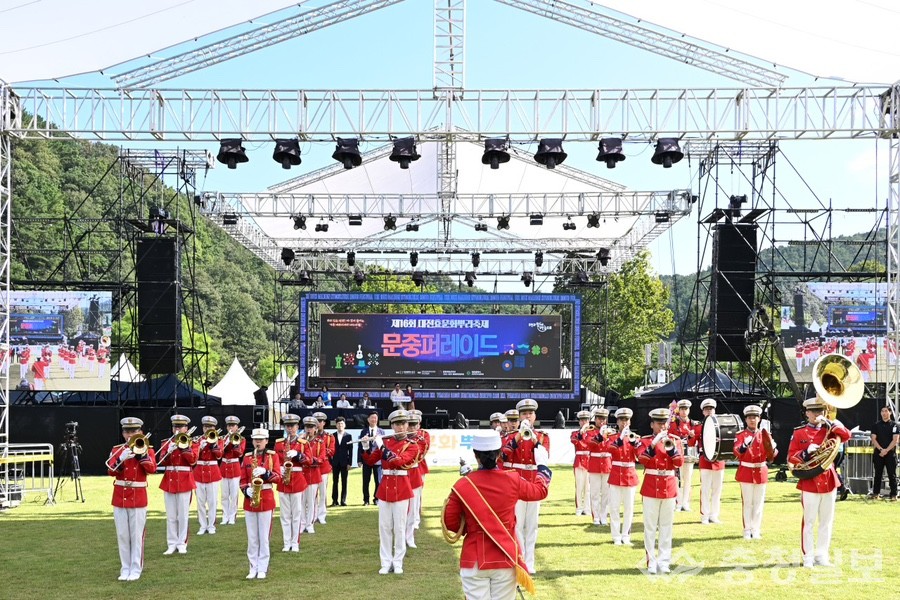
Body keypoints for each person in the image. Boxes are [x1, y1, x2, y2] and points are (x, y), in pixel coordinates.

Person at [442, 430, 552, 600]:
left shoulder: (463, 485)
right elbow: (540, 491)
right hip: (505, 556)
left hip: (474, 558)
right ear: (500, 453)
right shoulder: (512, 479)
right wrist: (543, 467)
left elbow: (451, 523)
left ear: (475, 455)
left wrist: (470, 525)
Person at [788, 397, 851, 568]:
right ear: (807, 413)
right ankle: (808, 556)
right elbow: (791, 457)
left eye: (820, 411)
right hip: (810, 479)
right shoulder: (799, 432)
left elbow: (846, 435)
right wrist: (805, 453)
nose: (817, 414)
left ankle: (821, 555)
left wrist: (832, 422)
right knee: (808, 521)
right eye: (814, 411)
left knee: (826, 520)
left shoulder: (829, 429)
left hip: (828, 478)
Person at [361, 409, 421, 574]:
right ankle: (386, 562)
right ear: (392, 426)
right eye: (396, 424)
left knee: (399, 527)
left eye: (403, 424)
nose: (400, 427)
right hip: (385, 488)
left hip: (401, 487)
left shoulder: (412, 445)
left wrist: (381, 446)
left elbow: (398, 461)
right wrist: (366, 446)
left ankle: (398, 562)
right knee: (385, 527)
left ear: (407, 425)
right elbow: (370, 461)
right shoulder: (386, 441)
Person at [500, 398, 549, 575]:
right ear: (520, 417)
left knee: (533, 524)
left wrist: (535, 440)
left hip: (534, 482)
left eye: (530, 413)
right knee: (518, 524)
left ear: (535, 416)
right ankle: (520, 559)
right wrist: (519, 437)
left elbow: (545, 456)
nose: (527, 416)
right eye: (524, 414)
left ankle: (530, 561)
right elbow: (503, 456)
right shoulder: (510, 437)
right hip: (516, 483)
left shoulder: (543, 436)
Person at [107, 417, 157, 581]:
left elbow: (152, 469)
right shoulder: (117, 449)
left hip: (138, 496)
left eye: (134, 431)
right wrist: (121, 459)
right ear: (123, 433)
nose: (130, 435)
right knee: (122, 534)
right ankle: (125, 568)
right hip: (120, 495)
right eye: (127, 431)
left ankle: (136, 568)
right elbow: (110, 471)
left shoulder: (147, 449)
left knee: (136, 535)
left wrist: (140, 456)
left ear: (140, 432)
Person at [638, 408, 684, 575]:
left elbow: (679, 462)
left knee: (666, 526)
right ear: (652, 425)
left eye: (665, 423)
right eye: (659, 423)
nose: (663, 426)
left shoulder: (675, 440)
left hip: (669, 486)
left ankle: (664, 561)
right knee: (650, 527)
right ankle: (651, 561)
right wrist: (652, 444)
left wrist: (671, 449)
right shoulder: (645, 441)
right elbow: (642, 459)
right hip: (651, 485)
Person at [240, 428, 282, 579]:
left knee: (264, 536)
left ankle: (263, 567)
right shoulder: (247, 458)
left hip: (266, 496)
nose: (258, 442)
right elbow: (242, 480)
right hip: (250, 499)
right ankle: (253, 567)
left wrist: (266, 472)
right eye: (256, 439)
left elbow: (278, 478)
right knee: (252, 537)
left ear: (266, 440)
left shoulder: (273, 456)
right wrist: (246, 491)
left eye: (261, 439)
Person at [734, 404, 776, 539]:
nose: (752, 420)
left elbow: (772, 456)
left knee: (758, 503)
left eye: (755, 417)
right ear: (745, 420)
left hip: (760, 470)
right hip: (746, 470)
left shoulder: (765, 435)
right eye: (750, 418)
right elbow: (737, 452)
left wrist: (773, 448)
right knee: (747, 502)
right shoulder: (741, 435)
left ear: (759, 419)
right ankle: (747, 529)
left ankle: (756, 529)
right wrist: (744, 446)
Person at [157, 414, 197, 555]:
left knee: (183, 515)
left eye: (180, 427)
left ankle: (182, 543)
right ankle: (171, 543)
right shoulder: (166, 442)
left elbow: (192, 461)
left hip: (185, 479)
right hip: (170, 479)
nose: (177, 429)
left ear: (186, 428)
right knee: (171, 515)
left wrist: (183, 448)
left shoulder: (192, 442)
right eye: (175, 426)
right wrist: (168, 452)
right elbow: (161, 462)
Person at [604, 408, 641, 546]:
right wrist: (620, 438)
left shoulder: (635, 438)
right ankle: (616, 536)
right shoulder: (613, 437)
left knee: (629, 507)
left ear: (630, 422)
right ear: (618, 421)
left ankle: (626, 535)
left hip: (630, 474)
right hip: (616, 474)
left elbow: (640, 456)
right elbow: (610, 449)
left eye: (626, 420)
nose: (624, 423)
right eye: (622, 420)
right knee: (614, 507)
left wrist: (635, 443)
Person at [274, 414, 307, 552]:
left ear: (297, 427)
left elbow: (309, 460)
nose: (290, 428)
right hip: (283, 480)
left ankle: (295, 542)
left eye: (293, 426)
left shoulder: (303, 443)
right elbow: (275, 460)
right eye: (288, 426)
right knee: (285, 514)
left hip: (297, 479)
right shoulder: (279, 443)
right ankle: (286, 542)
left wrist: (298, 455)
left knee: (297, 513)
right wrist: (279, 468)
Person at [193, 416, 223, 536]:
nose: (208, 429)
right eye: (206, 427)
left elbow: (219, 455)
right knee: (200, 502)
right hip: (199, 472)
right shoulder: (196, 439)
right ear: (203, 428)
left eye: (210, 427)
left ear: (214, 428)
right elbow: (193, 458)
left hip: (213, 472)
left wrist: (213, 445)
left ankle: (211, 525)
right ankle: (202, 525)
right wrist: (199, 447)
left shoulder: (218, 439)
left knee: (212, 502)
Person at [696, 398, 725, 524]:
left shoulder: (721, 425)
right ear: (703, 412)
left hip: (718, 461)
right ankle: (705, 514)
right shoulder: (699, 427)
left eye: (711, 409)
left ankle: (714, 514)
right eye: (707, 409)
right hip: (705, 460)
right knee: (706, 488)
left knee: (717, 489)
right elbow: (692, 443)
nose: (709, 411)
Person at [668, 399, 697, 511]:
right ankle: (678, 502)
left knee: (688, 479)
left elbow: (694, 441)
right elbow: (671, 436)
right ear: (678, 410)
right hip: (677, 454)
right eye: (682, 409)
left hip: (689, 454)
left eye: (686, 409)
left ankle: (686, 502)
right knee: (677, 479)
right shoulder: (674, 423)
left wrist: (691, 436)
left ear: (689, 410)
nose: (684, 411)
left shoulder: (693, 424)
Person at [584, 408, 611, 525]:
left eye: (604, 419)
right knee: (594, 493)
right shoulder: (590, 432)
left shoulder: (611, 432)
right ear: (595, 419)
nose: (602, 421)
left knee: (606, 494)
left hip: (607, 464)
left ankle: (604, 516)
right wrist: (600, 436)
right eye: (600, 419)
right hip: (595, 464)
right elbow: (589, 444)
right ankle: (595, 517)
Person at [404, 412, 426, 548]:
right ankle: (401, 537)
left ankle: (410, 537)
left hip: (414, 474)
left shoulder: (420, 439)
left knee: (412, 508)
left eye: (414, 425)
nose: (411, 428)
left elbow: (421, 454)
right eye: (409, 425)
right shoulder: (399, 438)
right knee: (401, 510)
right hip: (401, 475)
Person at [219, 416, 246, 526]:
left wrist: (234, 443)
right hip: (224, 467)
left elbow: (240, 453)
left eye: (233, 425)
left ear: (237, 427)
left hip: (234, 467)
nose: (231, 427)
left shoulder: (241, 439)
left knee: (233, 495)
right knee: (224, 495)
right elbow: (220, 453)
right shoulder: (221, 438)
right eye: (229, 425)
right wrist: (226, 441)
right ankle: (225, 516)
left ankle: (232, 517)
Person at [869, 405, 899, 500]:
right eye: (882, 411)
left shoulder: (895, 425)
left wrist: (886, 450)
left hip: (890, 454)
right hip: (878, 453)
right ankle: (876, 493)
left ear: (890, 412)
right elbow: (873, 439)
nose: (884, 413)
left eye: (886, 411)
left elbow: (895, 440)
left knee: (892, 474)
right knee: (878, 474)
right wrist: (881, 450)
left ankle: (893, 494)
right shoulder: (876, 425)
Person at [300, 416, 325, 532]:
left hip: (313, 474)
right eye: (307, 427)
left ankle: (309, 524)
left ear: (315, 428)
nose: (308, 430)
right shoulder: (300, 442)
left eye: (311, 427)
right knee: (301, 502)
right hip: (301, 475)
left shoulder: (320, 443)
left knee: (311, 502)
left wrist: (308, 459)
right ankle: (302, 523)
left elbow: (321, 459)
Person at [360, 411, 384, 505]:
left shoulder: (381, 431)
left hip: (378, 461)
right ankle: (366, 500)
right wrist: (359, 460)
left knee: (378, 480)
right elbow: (360, 446)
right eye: (372, 418)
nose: (374, 420)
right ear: (368, 419)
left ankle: (376, 498)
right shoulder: (363, 431)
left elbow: (382, 447)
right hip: (366, 460)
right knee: (366, 481)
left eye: (375, 418)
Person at [314, 411, 335, 524]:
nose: (318, 424)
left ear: (324, 423)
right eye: (316, 421)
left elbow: (331, 451)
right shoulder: (307, 436)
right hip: (311, 467)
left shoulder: (329, 436)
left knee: (322, 492)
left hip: (323, 467)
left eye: (320, 421)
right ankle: (312, 515)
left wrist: (319, 452)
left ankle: (321, 515)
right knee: (311, 494)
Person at [570, 410, 591, 517]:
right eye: (582, 420)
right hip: (579, 460)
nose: (584, 422)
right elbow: (574, 441)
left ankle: (587, 508)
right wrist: (582, 432)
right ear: (579, 422)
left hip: (589, 460)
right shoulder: (575, 433)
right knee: (579, 486)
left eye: (586, 420)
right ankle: (579, 508)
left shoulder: (592, 433)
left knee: (588, 487)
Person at [331, 417, 352, 506]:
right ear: (336, 425)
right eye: (338, 424)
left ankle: (343, 500)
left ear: (345, 425)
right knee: (335, 482)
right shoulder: (332, 436)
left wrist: (349, 463)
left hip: (344, 462)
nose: (340, 425)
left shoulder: (348, 436)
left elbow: (350, 450)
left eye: (342, 424)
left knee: (344, 482)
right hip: (335, 462)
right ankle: (334, 500)